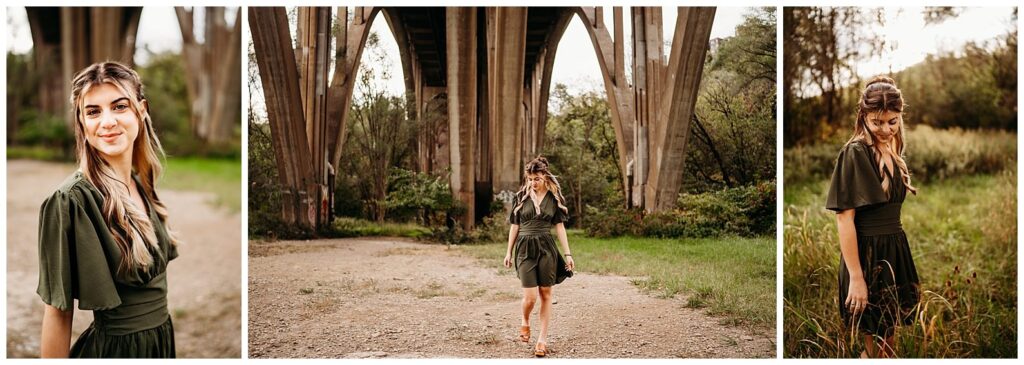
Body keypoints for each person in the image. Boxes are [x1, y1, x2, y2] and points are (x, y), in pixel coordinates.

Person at [37, 61, 179, 358]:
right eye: (93, 111)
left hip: (160, 344)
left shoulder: (141, 182)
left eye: (119, 107)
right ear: (82, 122)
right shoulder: (70, 201)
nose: (107, 121)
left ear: (141, 110)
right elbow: (58, 313)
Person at [826, 76, 920, 358]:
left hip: (895, 250)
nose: (886, 129)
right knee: (877, 348)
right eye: (877, 122)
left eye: (892, 121)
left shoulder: (892, 150)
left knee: (889, 344)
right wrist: (857, 277)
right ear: (863, 116)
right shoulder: (855, 152)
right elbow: (844, 218)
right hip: (868, 255)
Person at [504, 156, 575, 357]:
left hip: (546, 247)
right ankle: (525, 321)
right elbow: (515, 225)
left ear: (544, 176)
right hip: (525, 247)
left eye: (536, 178)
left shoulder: (554, 199)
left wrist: (568, 253)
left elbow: (559, 227)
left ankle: (542, 340)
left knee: (545, 293)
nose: (533, 183)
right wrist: (508, 251)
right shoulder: (521, 197)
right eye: (530, 179)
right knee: (530, 297)